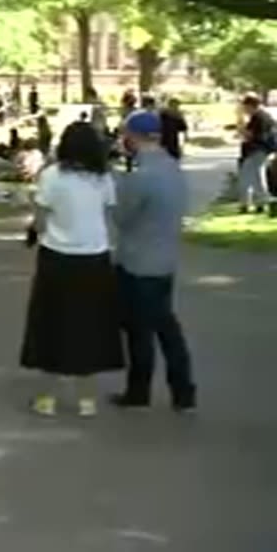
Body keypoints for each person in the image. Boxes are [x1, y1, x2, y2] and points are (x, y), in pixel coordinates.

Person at [20, 122, 125, 417]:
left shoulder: (52, 176)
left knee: (51, 324)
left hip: (58, 255)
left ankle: (47, 398)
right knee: (90, 325)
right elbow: (107, 213)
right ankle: (87, 399)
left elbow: (40, 221)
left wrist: (33, 231)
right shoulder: (103, 179)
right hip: (94, 255)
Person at [111, 110, 196, 412]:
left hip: (138, 260)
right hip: (165, 257)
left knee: (140, 329)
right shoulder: (173, 168)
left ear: (132, 136)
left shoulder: (141, 177)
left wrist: (118, 186)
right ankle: (182, 389)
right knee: (165, 325)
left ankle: (139, 390)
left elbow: (121, 217)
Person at [235, 94, 274, 215]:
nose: (245, 110)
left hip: (256, 150)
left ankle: (247, 204)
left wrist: (240, 126)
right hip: (262, 150)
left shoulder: (258, 117)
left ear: (251, 106)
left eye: (245, 107)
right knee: (257, 177)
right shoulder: (264, 116)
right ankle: (260, 203)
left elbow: (251, 135)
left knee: (246, 177)